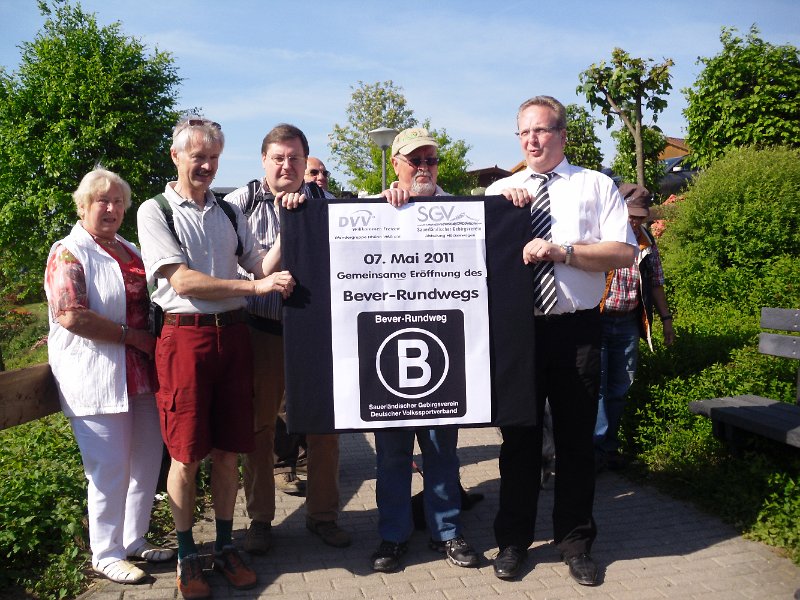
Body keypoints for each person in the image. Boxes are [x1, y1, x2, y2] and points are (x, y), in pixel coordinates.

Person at [137, 117, 296, 599]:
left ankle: (225, 546)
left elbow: (259, 263)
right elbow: (181, 281)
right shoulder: (155, 210)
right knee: (186, 455)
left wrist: (294, 223)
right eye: (197, 157)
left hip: (235, 338)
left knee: (229, 451)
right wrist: (255, 287)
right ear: (176, 157)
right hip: (185, 340)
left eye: (213, 158)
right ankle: (188, 554)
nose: (206, 165)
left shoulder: (228, 212)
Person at [486, 96, 637, 585]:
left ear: (562, 135)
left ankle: (575, 542)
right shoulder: (501, 189)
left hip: (576, 329)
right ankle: (512, 541)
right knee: (519, 440)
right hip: (518, 331)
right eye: (524, 133)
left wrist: (563, 252)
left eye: (542, 131)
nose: (532, 140)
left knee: (575, 442)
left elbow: (622, 252)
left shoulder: (594, 185)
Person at [225, 123, 351, 554]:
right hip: (262, 331)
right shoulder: (236, 204)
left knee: (324, 429)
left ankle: (323, 516)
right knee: (259, 429)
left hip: (317, 333)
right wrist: (288, 224)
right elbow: (242, 268)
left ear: (305, 160)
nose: (286, 165)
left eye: (295, 158)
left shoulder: (328, 204)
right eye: (278, 157)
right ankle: (260, 520)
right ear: (264, 160)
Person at [45, 168, 174, 584]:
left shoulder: (131, 249)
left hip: (142, 375)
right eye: (101, 200)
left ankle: (134, 540)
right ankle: (106, 552)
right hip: (98, 376)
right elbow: (71, 314)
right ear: (82, 206)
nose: (111, 208)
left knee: (145, 463)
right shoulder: (68, 252)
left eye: (118, 201)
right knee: (109, 468)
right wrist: (132, 337)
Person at [368, 127, 480, 572]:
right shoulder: (375, 211)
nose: (424, 168)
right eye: (415, 160)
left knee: (441, 453)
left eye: (431, 160)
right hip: (388, 349)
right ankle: (392, 537)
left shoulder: (462, 210)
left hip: (445, 349)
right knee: (392, 456)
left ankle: (447, 533)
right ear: (395, 163)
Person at [595, 183, 675, 470]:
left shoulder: (646, 243)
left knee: (620, 387)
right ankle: (594, 451)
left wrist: (666, 320)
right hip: (598, 322)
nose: (635, 220)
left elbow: (655, 282)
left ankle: (607, 447)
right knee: (598, 389)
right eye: (631, 214)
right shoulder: (601, 237)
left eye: (640, 216)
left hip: (629, 323)